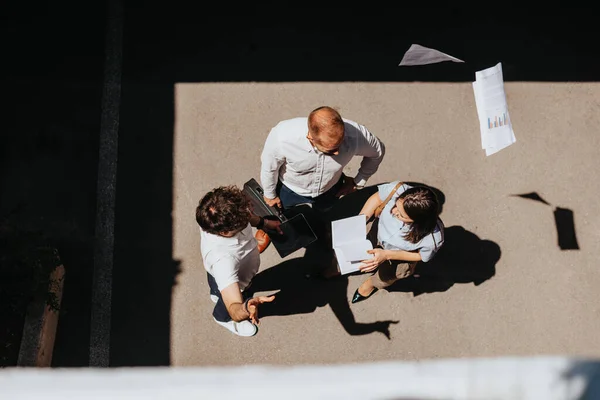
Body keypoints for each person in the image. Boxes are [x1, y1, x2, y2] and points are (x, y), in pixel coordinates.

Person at [257, 105, 385, 253]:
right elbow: (269, 167)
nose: (338, 152)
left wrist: (359, 181)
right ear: (310, 138)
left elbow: (377, 152)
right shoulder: (283, 137)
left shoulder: (356, 135)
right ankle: (268, 228)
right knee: (279, 209)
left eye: (340, 143)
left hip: (330, 187)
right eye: (331, 150)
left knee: (325, 211)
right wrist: (270, 194)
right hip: (290, 187)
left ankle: (321, 227)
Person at [196, 185, 282, 337]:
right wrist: (246, 307)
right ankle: (221, 318)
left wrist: (264, 223)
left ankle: (217, 292)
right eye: (244, 218)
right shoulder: (223, 262)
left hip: (226, 275)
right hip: (237, 280)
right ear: (225, 232)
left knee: (217, 287)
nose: (251, 210)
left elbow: (246, 216)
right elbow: (233, 308)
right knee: (226, 302)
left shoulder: (218, 216)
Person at [351, 182, 444, 303]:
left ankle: (370, 285)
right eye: (395, 205)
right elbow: (378, 198)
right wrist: (361, 220)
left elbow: (421, 256)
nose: (394, 212)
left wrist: (387, 255)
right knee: (360, 251)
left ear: (418, 222)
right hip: (377, 233)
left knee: (385, 276)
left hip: (399, 256)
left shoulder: (433, 238)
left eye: (402, 215)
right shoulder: (398, 189)